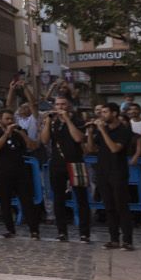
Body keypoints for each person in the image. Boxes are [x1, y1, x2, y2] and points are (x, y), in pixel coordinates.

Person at [39, 98, 90, 242]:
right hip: (57, 163)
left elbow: (78, 138)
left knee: (81, 198)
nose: (60, 107)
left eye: (63, 104)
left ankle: (84, 232)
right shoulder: (53, 122)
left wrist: (67, 120)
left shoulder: (78, 120)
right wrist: (48, 122)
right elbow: (44, 140)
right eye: (57, 104)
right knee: (58, 198)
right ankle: (62, 231)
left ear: (69, 106)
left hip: (76, 162)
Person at [90, 103, 136, 250]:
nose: (102, 114)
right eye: (101, 112)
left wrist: (103, 131)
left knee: (121, 206)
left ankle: (127, 240)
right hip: (103, 171)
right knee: (108, 206)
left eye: (105, 112)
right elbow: (91, 149)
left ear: (114, 113)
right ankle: (114, 239)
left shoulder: (123, 131)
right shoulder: (102, 130)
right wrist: (91, 133)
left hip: (118, 172)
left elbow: (115, 148)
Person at [0, 111, 38, 238]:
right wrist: (7, 133)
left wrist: (22, 134)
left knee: (27, 201)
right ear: (0, 121)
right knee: (5, 202)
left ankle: (34, 230)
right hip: (3, 172)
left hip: (20, 172)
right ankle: (10, 229)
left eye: (11, 118)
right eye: (7, 119)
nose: (10, 121)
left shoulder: (20, 133)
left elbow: (32, 146)